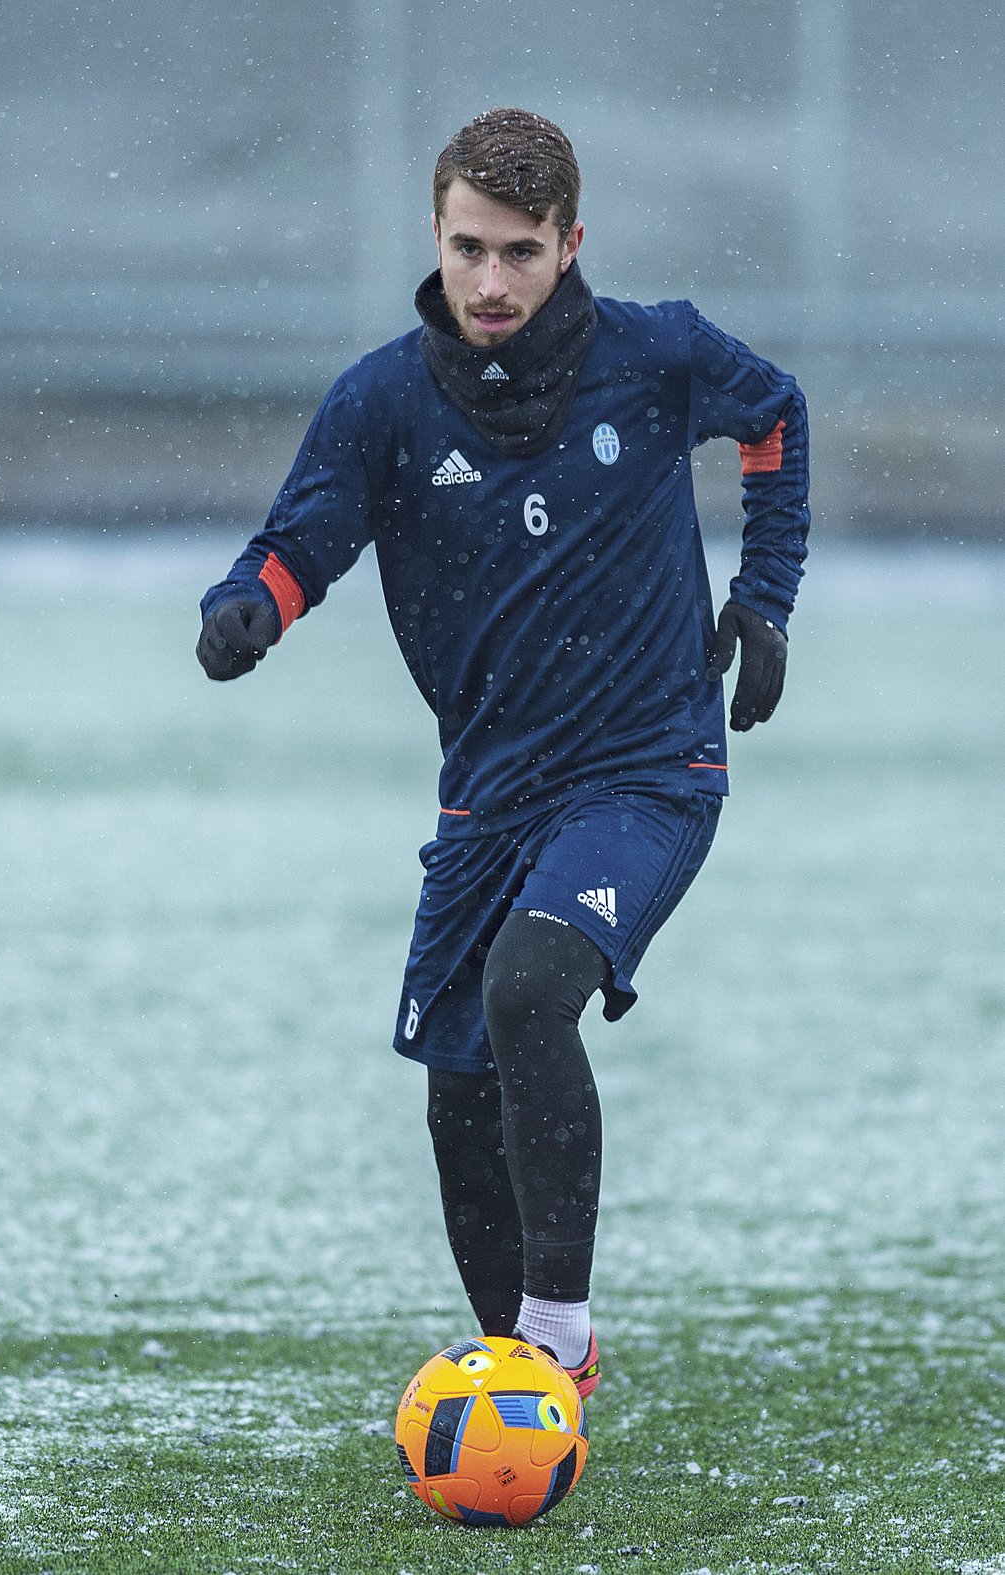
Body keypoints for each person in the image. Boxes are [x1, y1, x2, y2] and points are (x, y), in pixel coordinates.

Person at [196, 107, 810, 1398]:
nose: (490, 282)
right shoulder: (379, 401)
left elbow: (775, 416)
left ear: (568, 243)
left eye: (520, 254)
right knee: (456, 1082)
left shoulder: (657, 356)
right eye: (468, 247)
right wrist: (253, 606)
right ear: (433, 234)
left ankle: (558, 1338)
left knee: (531, 990)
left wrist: (763, 594)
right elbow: (302, 537)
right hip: (486, 798)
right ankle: (521, 1374)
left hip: (646, 773)